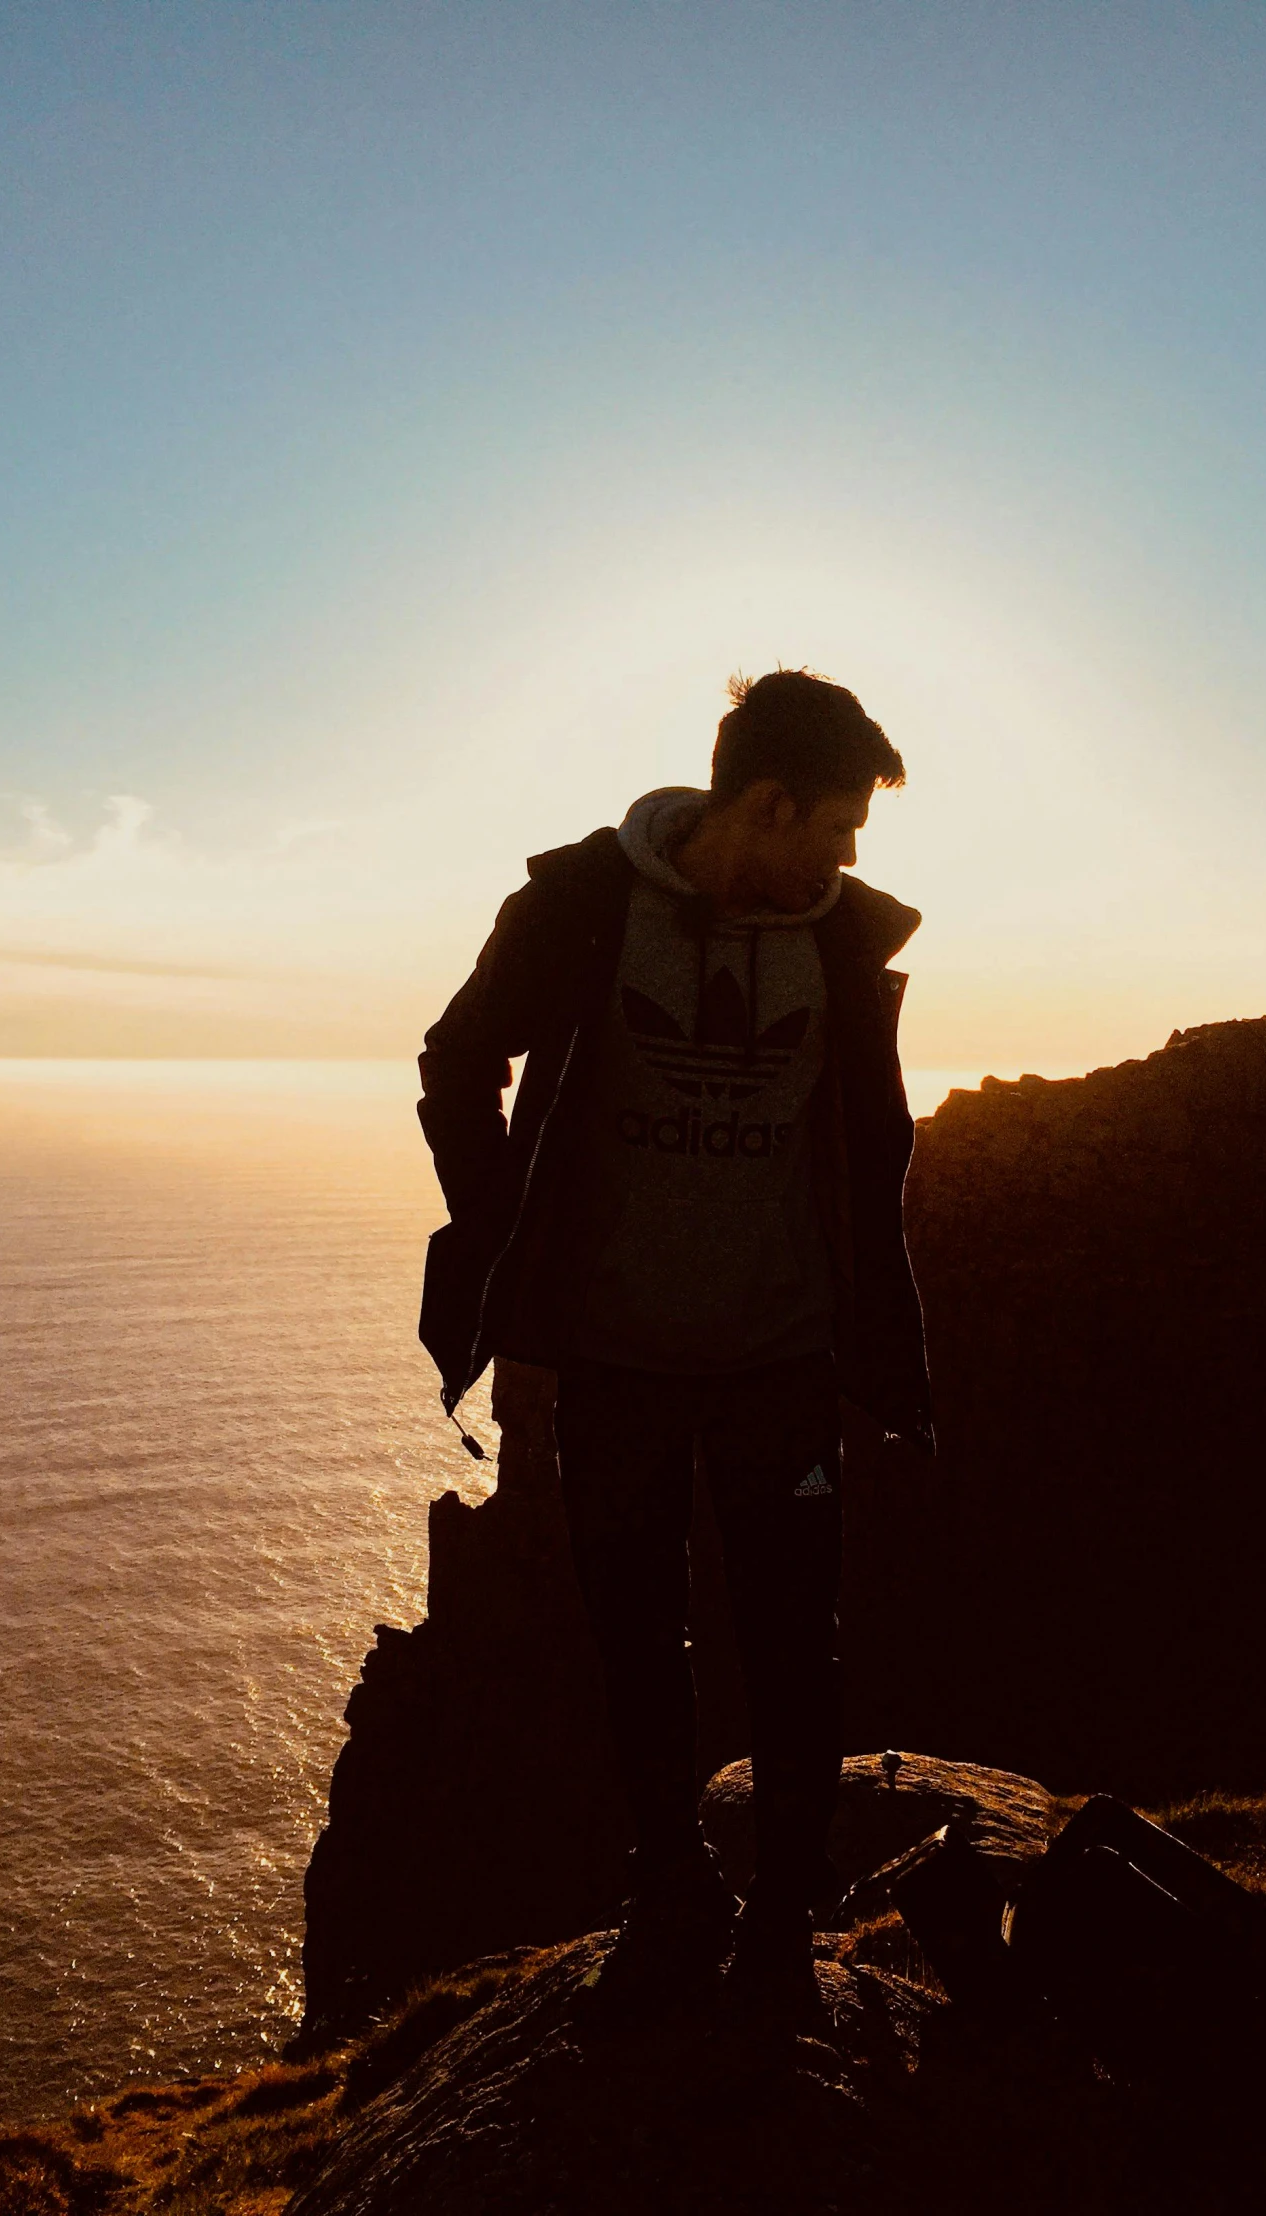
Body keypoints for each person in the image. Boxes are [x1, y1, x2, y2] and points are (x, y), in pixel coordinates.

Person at [416, 668, 933, 2023]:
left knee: (792, 1637)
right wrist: (502, 1241)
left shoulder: (836, 940)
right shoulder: (582, 908)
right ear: (761, 803)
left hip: (783, 1360)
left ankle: (782, 1909)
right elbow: (456, 1058)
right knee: (635, 1634)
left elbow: (871, 1155)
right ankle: (669, 1874)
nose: (839, 859)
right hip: (616, 1358)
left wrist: (884, 1353)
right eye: (828, 829)